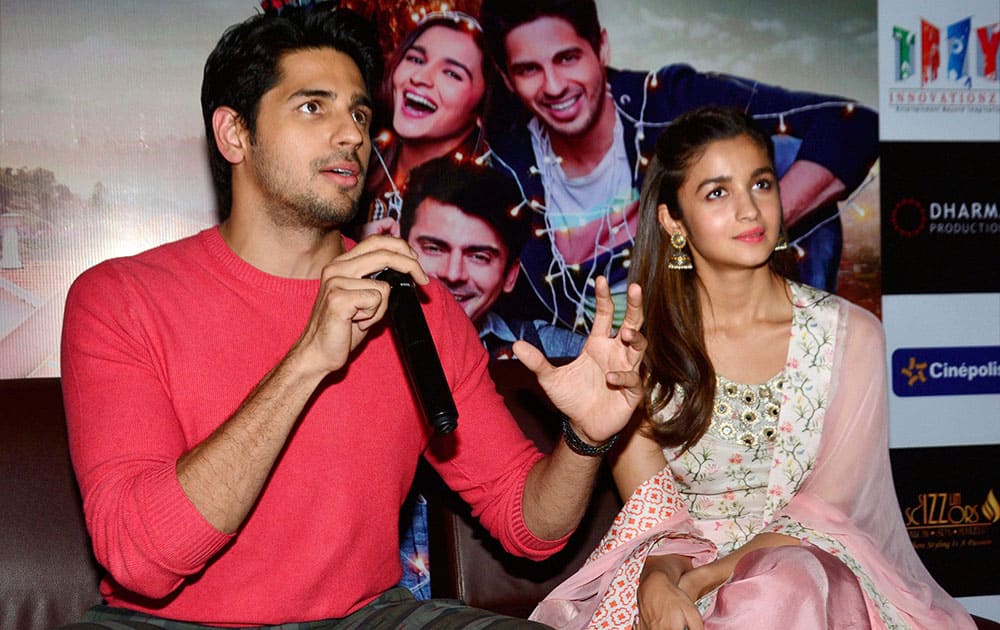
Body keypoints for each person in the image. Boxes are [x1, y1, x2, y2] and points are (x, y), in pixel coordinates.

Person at [59, 5, 648, 628]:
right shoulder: (119, 297)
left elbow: (527, 525)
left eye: (360, 114)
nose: (352, 136)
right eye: (313, 107)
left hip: (364, 619)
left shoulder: (413, 298)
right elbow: (141, 559)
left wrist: (585, 439)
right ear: (234, 134)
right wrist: (309, 357)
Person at [528, 106, 974, 630]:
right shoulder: (639, 352)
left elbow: (827, 514)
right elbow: (658, 522)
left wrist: (700, 581)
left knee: (787, 582)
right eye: (717, 192)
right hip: (678, 576)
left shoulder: (849, 336)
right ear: (673, 219)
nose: (749, 210)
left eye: (761, 184)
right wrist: (659, 581)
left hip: (819, 582)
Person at [477, 0, 879, 334]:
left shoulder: (664, 102)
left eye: (567, 58)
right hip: (585, 374)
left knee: (782, 157)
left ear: (601, 48)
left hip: (711, 341)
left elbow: (850, 124)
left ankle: (799, 355)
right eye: (529, 69)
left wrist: (735, 236)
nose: (553, 85)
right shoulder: (503, 157)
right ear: (507, 79)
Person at [399, 155, 587, 360]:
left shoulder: (548, 349)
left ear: (510, 276)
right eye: (434, 249)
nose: (453, 274)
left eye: (479, 257)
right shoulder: (363, 333)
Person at [356, 9, 492, 239]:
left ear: (481, 109)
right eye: (416, 59)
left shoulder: (485, 197)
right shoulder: (358, 152)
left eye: (451, 73)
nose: (420, 78)